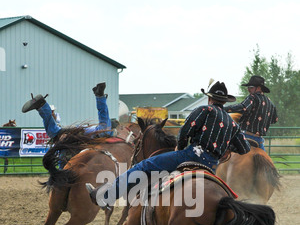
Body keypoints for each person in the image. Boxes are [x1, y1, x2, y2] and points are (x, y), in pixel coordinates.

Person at [86, 80, 251, 210]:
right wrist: (224, 147)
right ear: (224, 101)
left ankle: (106, 196)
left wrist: (180, 146)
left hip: (191, 155)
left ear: (210, 98)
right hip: (211, 166)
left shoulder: (205, 111)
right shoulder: (233, 124)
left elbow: (185, 131)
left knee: (144, 166)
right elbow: (245, 148)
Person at [21, 82, 114, 140]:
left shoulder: (103, 129)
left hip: (80, 131)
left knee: (54, 132)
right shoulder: (106, 132)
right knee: (103, 129)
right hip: (84, 132)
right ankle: (99, 97)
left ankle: (42, 106)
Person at [225, 75, 278, 150]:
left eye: (251, 87)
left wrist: (224, 109)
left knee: (223, 152)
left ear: (259, 88)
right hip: (259, 141)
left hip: (245, 136)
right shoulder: (271, 103)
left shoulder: (252, 97)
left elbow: (243, 107)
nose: (248, 89)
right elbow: (275, 120)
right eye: (248, 87)